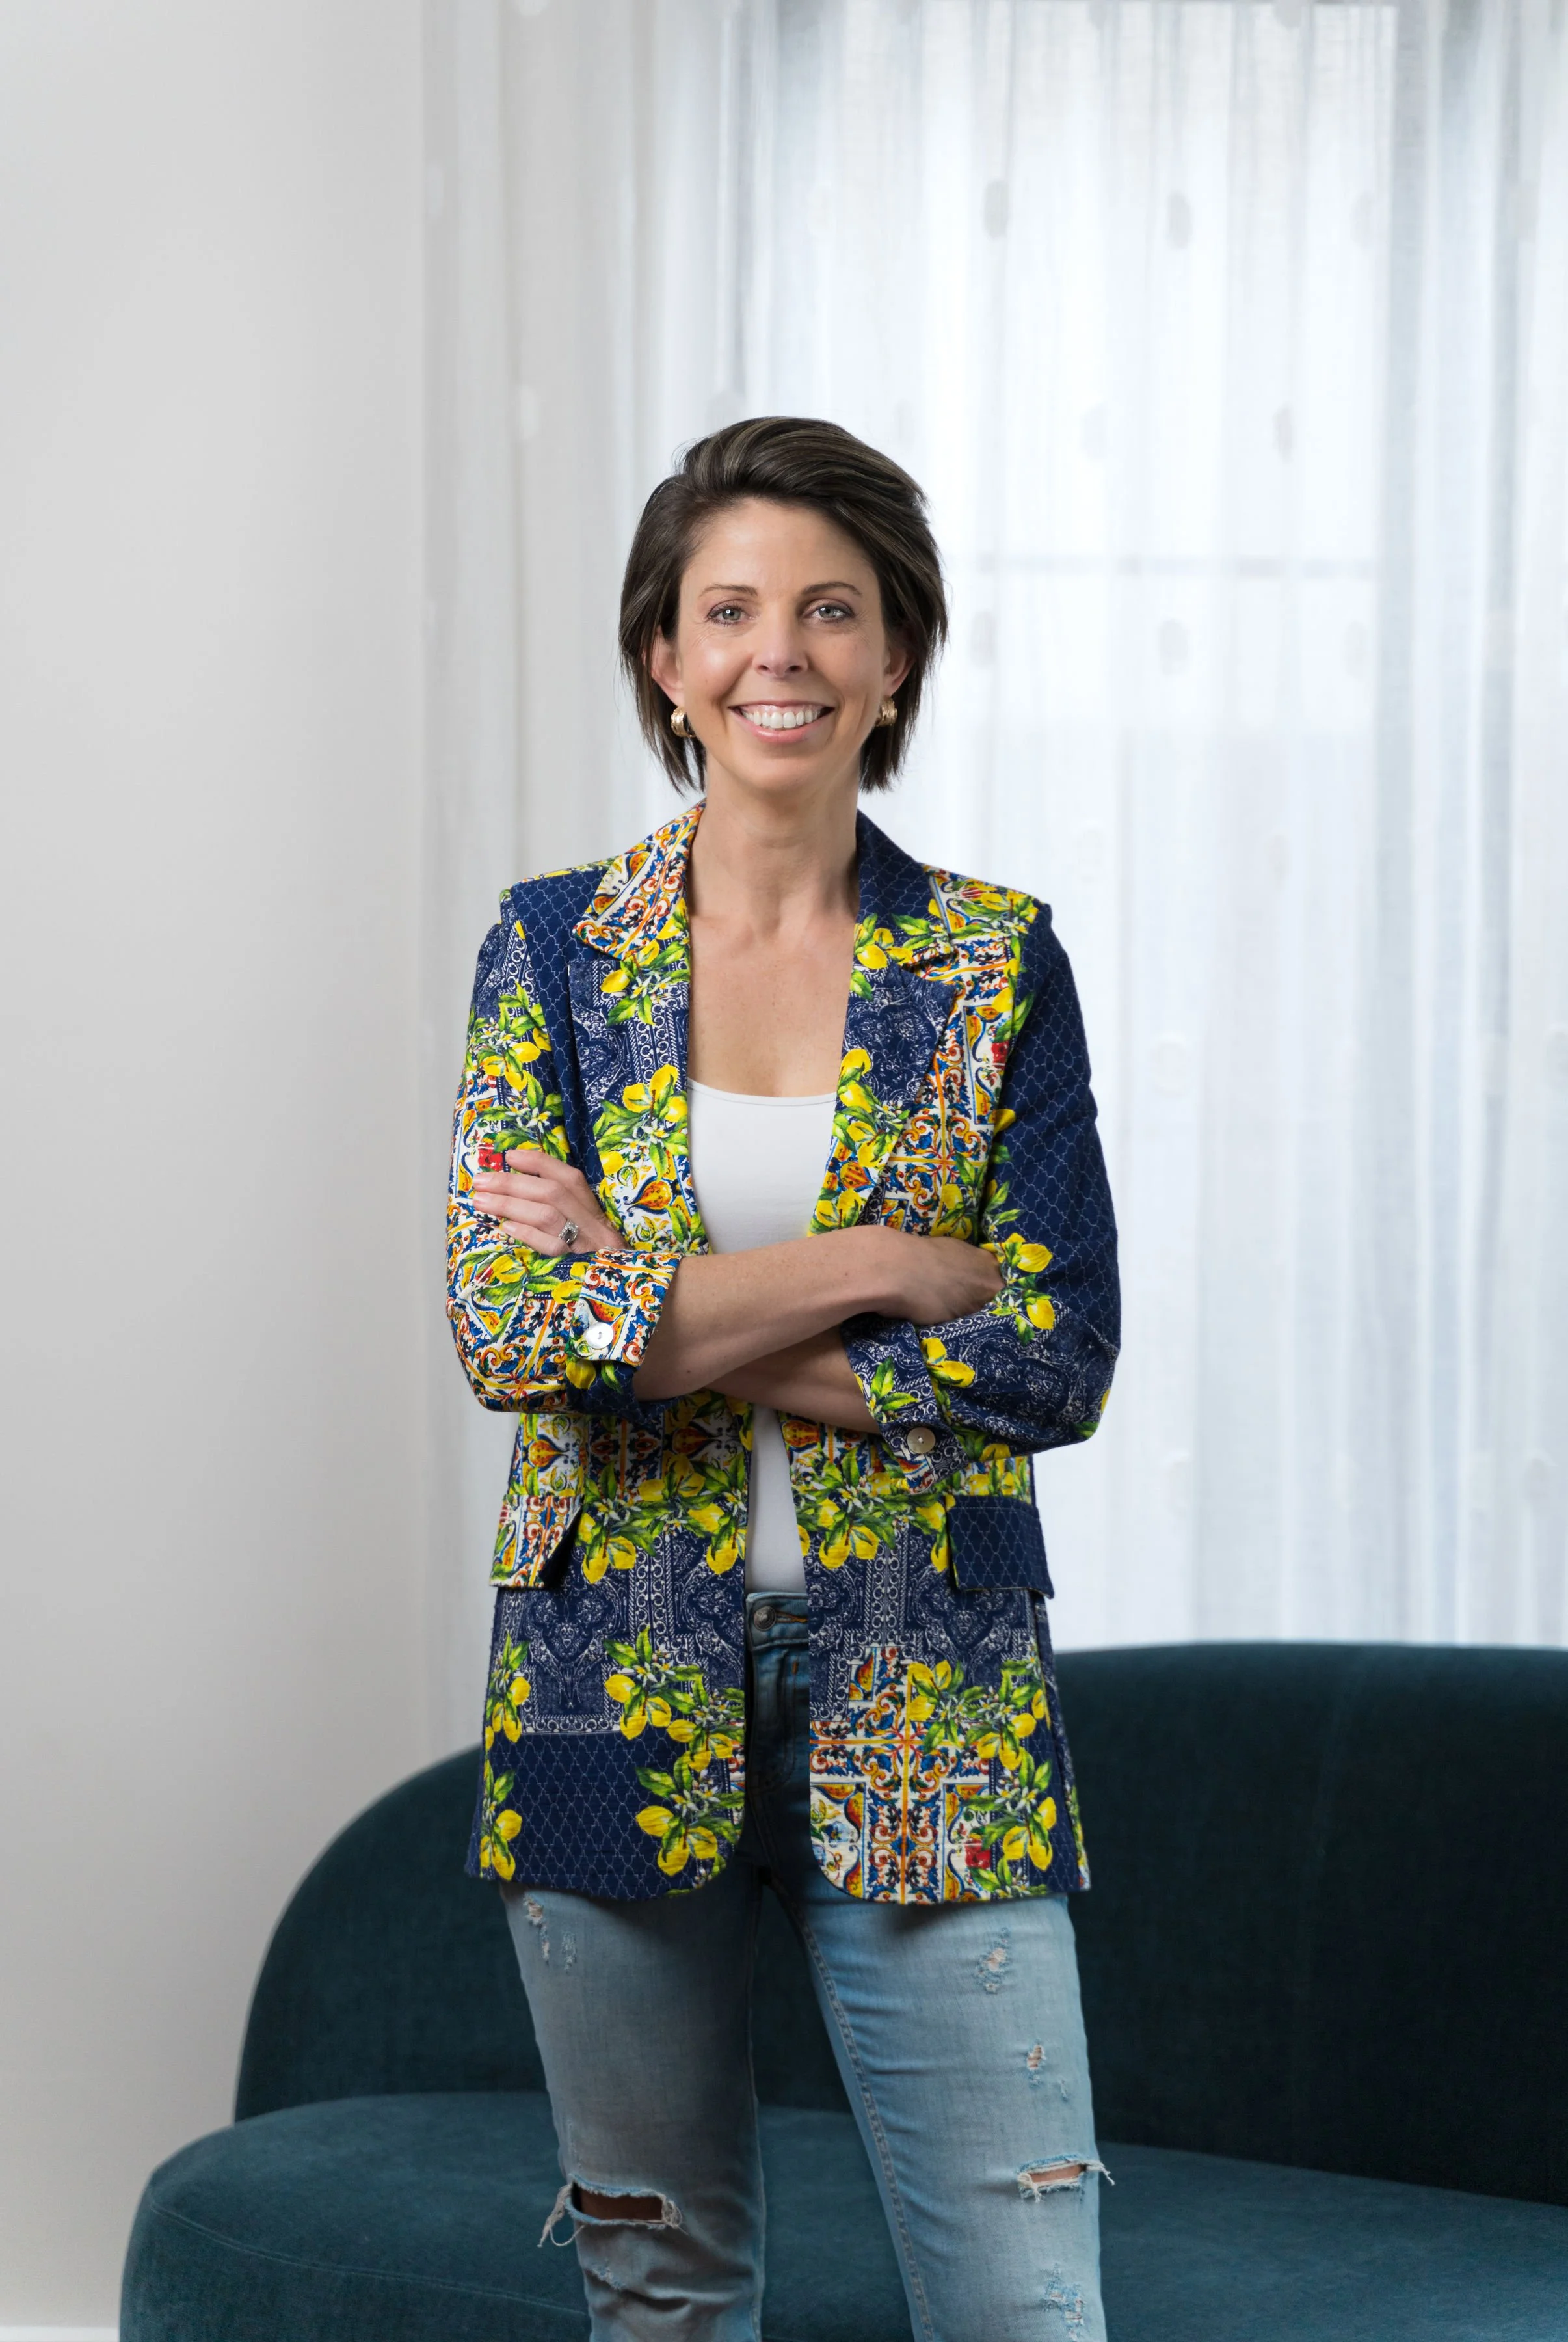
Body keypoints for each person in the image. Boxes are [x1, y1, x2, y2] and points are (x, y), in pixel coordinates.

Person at [447, 416, 1119, 2341]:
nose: (782, 654)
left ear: (898, 651)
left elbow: (1057, 1354)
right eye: (730, 608)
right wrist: (898, 1267)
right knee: (658, 2291)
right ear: (664, 656)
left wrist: (651, 1310)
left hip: (936, 1679)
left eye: (833, 610)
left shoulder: (994, 969)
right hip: (599, 1673)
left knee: (1025, 2296)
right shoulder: (553, 953)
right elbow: (519, 1336)